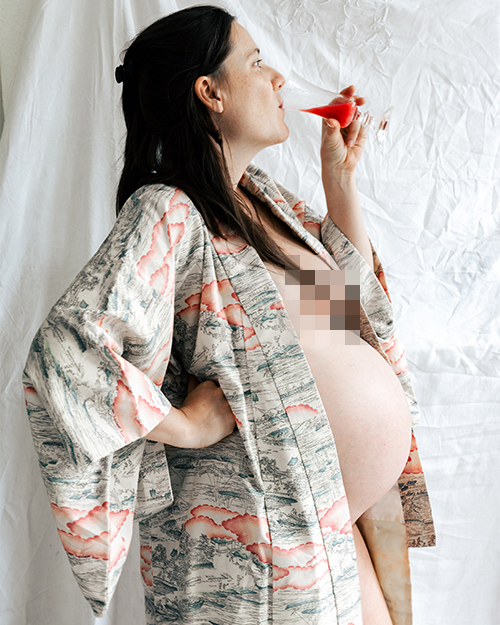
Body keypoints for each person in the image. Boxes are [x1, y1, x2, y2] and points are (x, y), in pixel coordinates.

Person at [23, 5, 435, 624]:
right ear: (209, 92)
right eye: (257, 63)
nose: (277, 81)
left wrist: (340, 179)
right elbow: (67, 348)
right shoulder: (168, 210)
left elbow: (349, 316)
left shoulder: (262, 200)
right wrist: (185, 426)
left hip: (331, 528)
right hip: (254, 555)